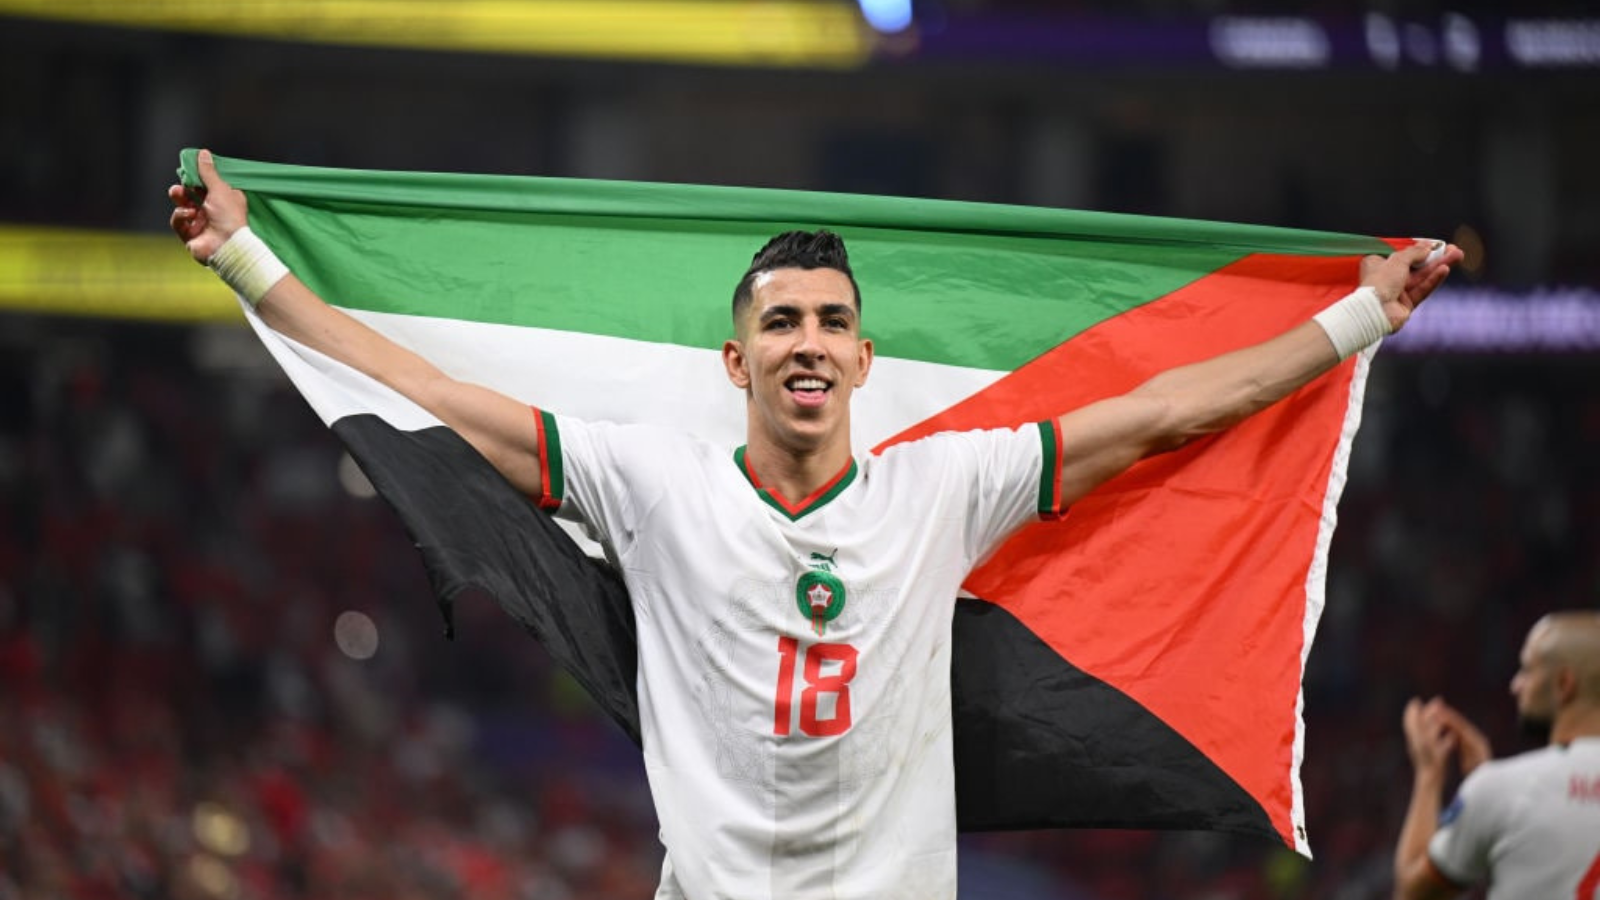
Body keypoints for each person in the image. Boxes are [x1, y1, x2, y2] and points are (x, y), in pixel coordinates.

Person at [171, 148, 1460, 900]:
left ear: (862, 359)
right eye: (780, 322)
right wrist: (245, 261)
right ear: (735, 363)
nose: (806, 341)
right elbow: (434, 392)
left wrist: (1357, 318)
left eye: (830, 322)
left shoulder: (945, 486)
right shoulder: (648, 485)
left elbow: (1170, 407)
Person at [1394, 611, 1600, 900]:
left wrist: (1429, 774)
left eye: (1528, 670)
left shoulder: (1500, 790)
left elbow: (1412, 893)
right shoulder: (1499, 789)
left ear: (1565, 684)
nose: (1515, 684)